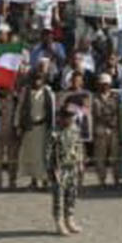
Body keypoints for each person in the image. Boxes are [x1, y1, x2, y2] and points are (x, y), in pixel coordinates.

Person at [48, 101, 85, 236]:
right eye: (66, 116)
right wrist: (52, 169)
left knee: (72, 194)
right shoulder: (54, 132)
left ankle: (69, 218)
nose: (69, 119)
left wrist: (80, 163)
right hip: (59, 168)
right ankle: (59, 222)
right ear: (60, 117)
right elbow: (47, 152)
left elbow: (79, 146)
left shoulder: (75, 129)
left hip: (72, 166)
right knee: (59, 196)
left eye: (71, 116)